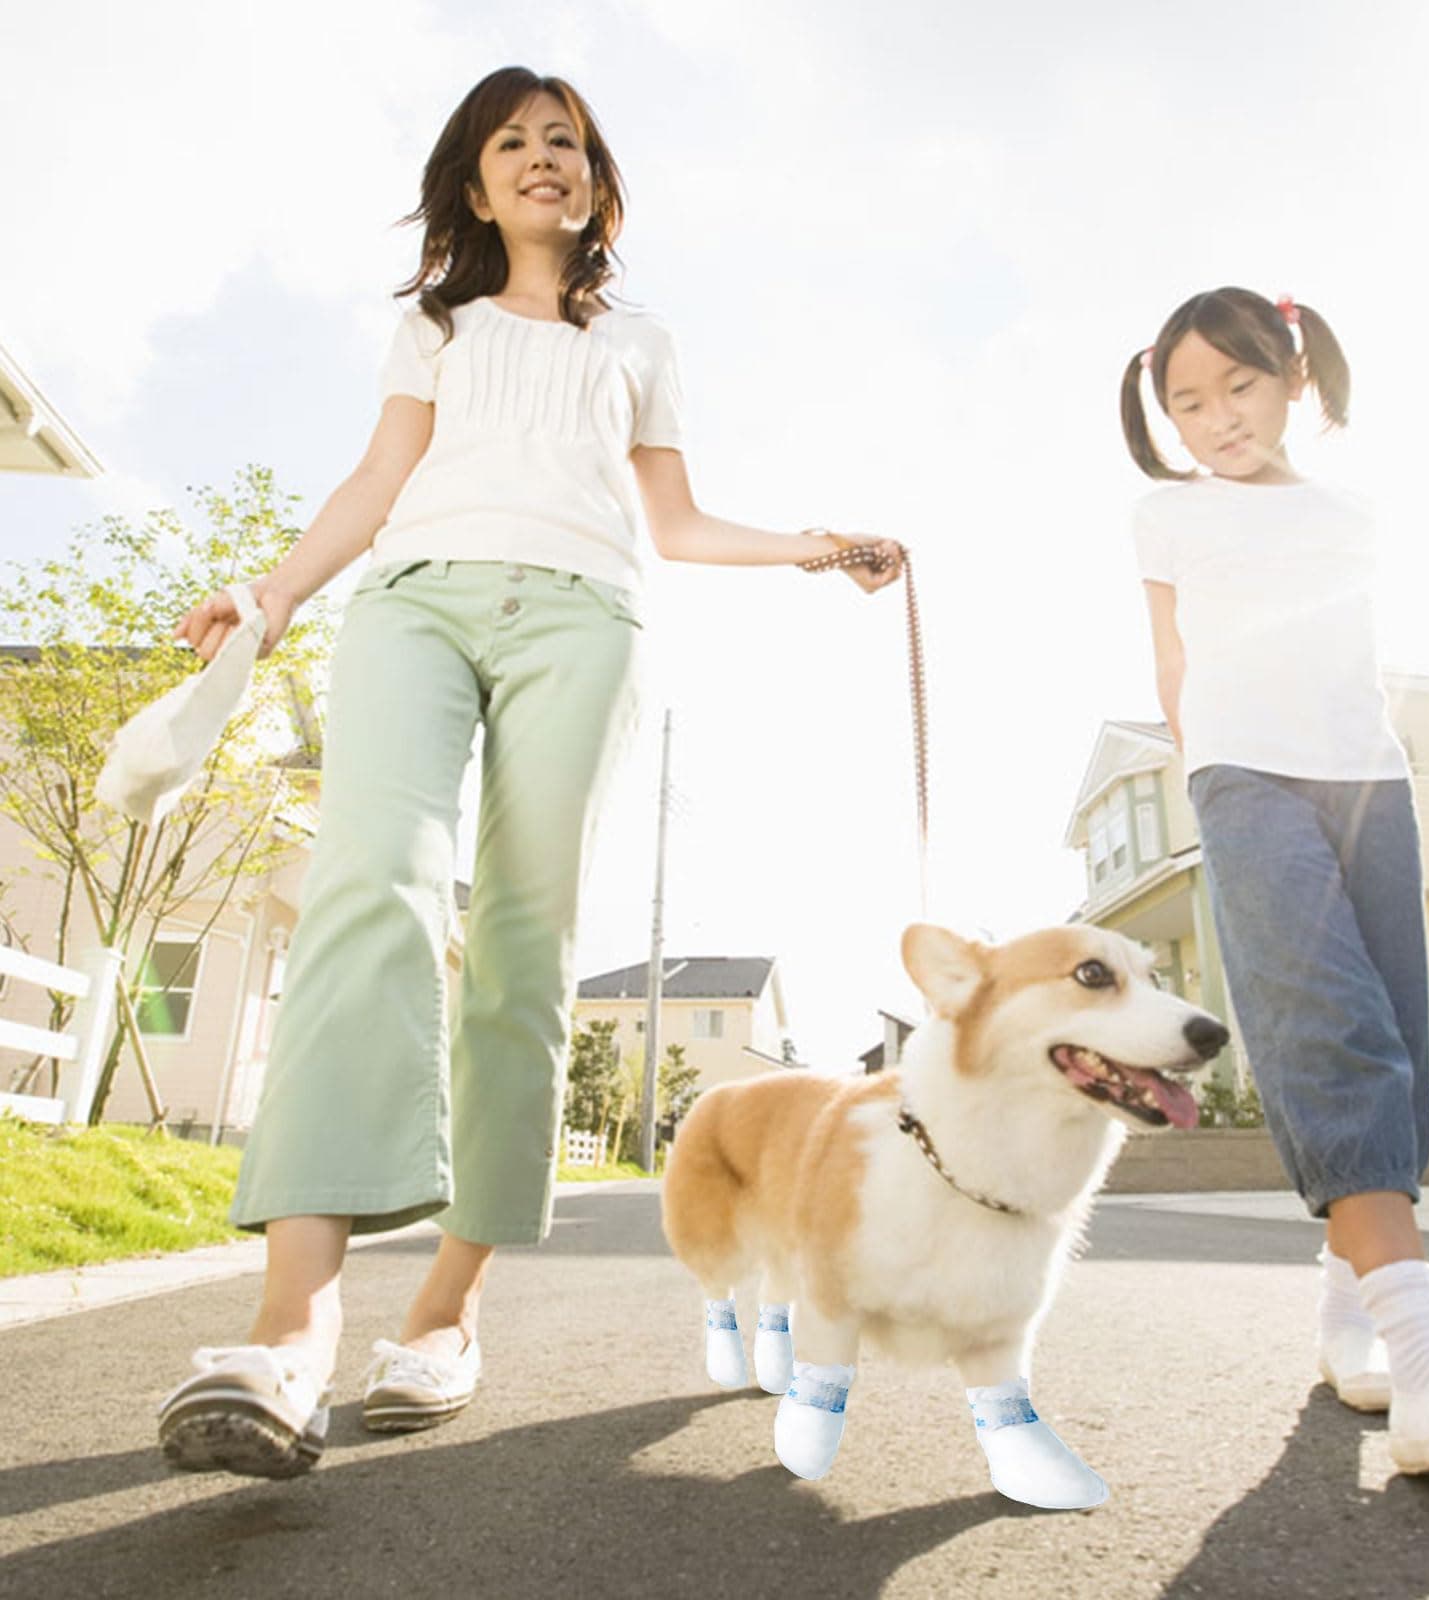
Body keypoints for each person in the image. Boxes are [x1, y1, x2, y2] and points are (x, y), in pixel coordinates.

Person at [157, 65, 901, 1479]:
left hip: (585, 619)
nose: (541, 156)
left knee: (522, 950)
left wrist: (817, 547)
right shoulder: (432, 326)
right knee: (367, 889)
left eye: (565, 140)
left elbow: (675, 523)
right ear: (475, 181)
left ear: (597, 181)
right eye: (512, 142)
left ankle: (445, 1314)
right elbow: (376, 482)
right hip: (415, 604)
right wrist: (272, 594)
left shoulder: (640, 340)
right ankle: (290, 1331)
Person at [1123, 285, 1429, 1477]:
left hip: (1372, 779)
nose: (1217, 417)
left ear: (1293, 378)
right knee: (1327, 1024)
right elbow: (1172, 662)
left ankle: (1349, 1316)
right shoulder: (1167, 514)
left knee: (1394, 1036)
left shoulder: (1355, 512)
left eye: (1239, 385)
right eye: (1188, 402)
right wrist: (1206, 770)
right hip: (1244, 776)